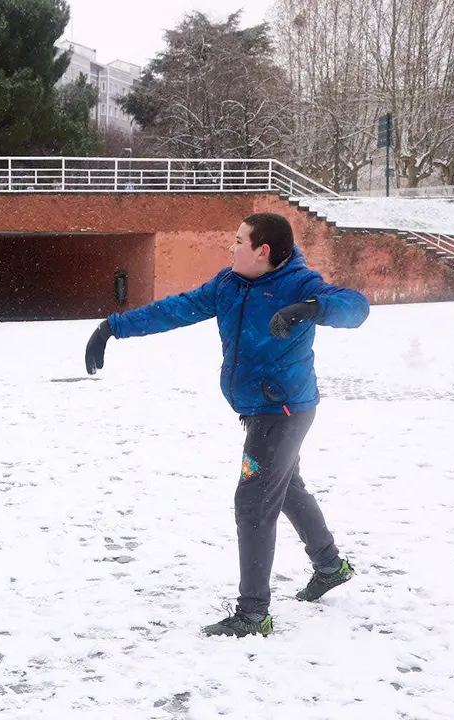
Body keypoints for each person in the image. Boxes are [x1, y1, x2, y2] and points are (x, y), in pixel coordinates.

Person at [82, 212, 369, 638]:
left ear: (262, 251)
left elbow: (356, 307)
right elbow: (176, 309)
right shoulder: (229, 284)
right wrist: (112, 328)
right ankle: (329, 565)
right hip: (259, 408)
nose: (230, 247)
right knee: (285, 487)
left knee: (253, 501)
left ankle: (254, 614)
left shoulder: (299, 284)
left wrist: (310, 308)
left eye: (238, 240)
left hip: (283, 410)